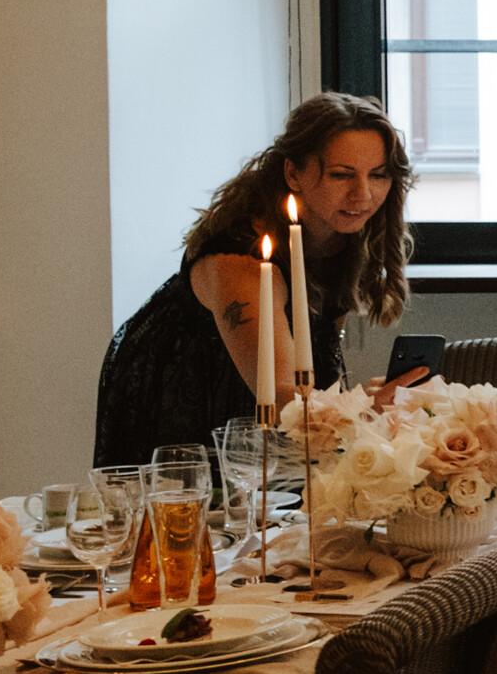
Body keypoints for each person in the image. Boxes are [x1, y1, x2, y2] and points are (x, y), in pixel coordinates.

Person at [93, 93, 422, 468]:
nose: (362, 194)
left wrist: (364, 402)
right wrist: (360, 408)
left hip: (277, 398)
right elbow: (282, 396)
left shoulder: (343, 234)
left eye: (378, 175)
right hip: (185, 385)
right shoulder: (242, 260)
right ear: (293, 173)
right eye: (341, 174)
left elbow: (316, 354)